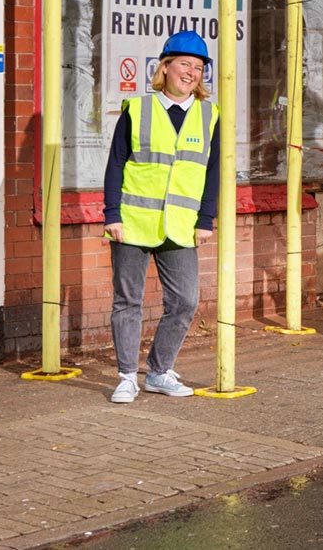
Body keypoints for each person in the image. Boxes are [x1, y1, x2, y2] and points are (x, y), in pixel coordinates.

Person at [103, 27, 219, 404]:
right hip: (133, 222)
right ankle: (125, 376)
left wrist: (206, 218)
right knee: (127, 301)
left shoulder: (209, 114)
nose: (192, 73)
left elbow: (213, 170)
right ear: (165, 67)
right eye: (185, 64)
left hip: (181, 225)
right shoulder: (138, 109)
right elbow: (116, 163)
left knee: (185, 301)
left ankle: (158, 370)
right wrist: (111, 213)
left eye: (199, 67)